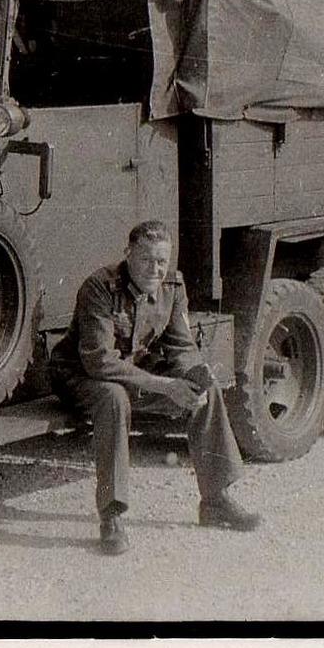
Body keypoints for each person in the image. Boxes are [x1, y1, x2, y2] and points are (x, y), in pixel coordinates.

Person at [48, 220, 261, 555]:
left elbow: (181, 345)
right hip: (80, 377)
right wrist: (164, 385)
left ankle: (216, 500)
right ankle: (112, 516)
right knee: (114, 397)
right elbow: (99, 361)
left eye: (162, 261)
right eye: (147, 260)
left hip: (132, 372)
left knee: (204, 390)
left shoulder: (172, 288)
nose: (156, 269)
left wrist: (195, 375)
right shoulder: (100, 288)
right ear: (128, 255)